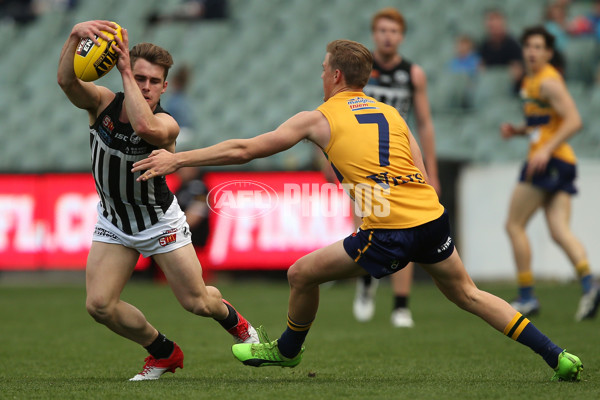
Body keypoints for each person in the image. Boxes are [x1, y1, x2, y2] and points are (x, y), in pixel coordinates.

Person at [132, 39, 583, 382]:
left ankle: (288, 350)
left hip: (389, 230)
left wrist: (179, 158)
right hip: (430, 217)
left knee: (299, 274)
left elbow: (247, 149)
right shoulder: (391, 113)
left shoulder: (321, 116)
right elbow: (422, 174)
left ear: (336, 76)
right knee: (468, 293)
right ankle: (556, 355)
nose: (321, 74)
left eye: (324, 68)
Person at [57, 20, 258, 381]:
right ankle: (163, 352)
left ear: (165, 86)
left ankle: (237, 323)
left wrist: (125, 75)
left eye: (153, 81)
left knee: (196, 302)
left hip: (158, 222)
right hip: (114, 221)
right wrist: (74, 36)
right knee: (99, 306)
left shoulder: (167, 123)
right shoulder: (101, 103)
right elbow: (66, 82)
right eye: (139, 77)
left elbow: (145, 129)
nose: (146, 86)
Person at [500, 26, 600, 321]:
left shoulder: (548, 81)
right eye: (528, 45)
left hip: (548, 161)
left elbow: (574, 121)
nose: (532, 51)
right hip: (560, 162)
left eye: (538, 46)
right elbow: (546, 124)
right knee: (559, 230)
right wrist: (519, 131)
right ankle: (589, 284)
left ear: (549, 53)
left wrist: (545, 150)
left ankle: (527, 297)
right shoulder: (531, 81)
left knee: (513, 225)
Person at [357, 7, 441, 328]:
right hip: (364, 158)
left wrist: (430, 172)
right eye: (381, 30)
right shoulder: (361, 70)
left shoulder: (413, 73)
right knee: (366, 223)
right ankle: (366, 280)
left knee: (403, 227)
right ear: (374, 34)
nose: (387, 36)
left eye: (393, 31)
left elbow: (425, 124)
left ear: (401, 35)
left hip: (400, 158)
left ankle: (401, 306)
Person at [478, 8, 524, 92]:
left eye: (496, 23)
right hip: (489, 87)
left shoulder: (512, 45)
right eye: (490, 24)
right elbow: (481, 68)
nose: (493, 26)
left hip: (507, 89)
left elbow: (517, 72)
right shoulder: (484, 45)